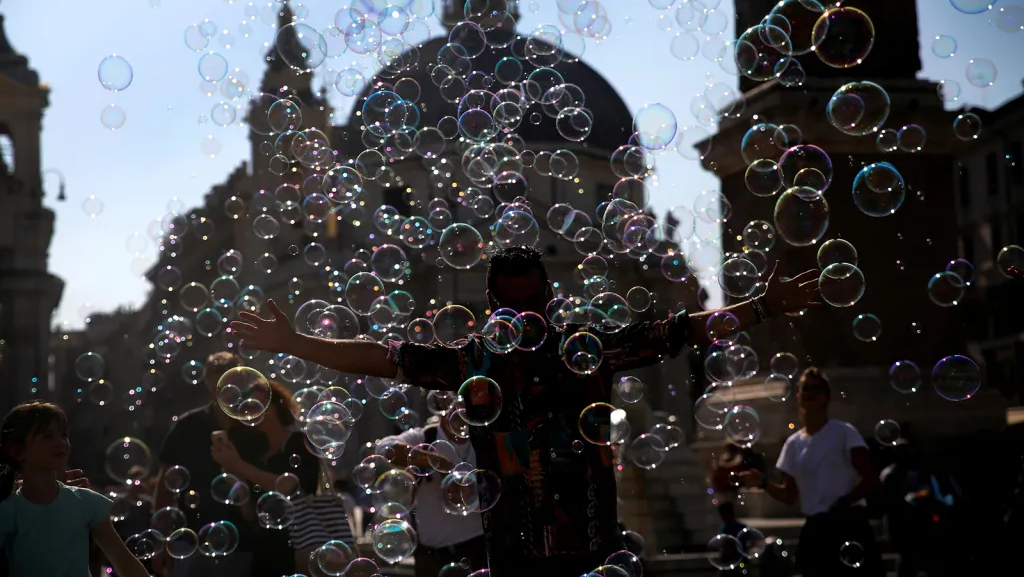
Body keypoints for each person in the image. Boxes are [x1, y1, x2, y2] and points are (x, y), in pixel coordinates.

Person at [231, 245, 822, 576]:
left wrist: (762, 306)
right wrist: (296, 344)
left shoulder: (578, 351)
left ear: (549, 298)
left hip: (588, 544)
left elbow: (672, 332)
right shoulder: (475, 362)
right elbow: (383, 359)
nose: (527, 313)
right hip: (514, 552)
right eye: (518, 304)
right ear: (492, 305)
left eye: (534, 301)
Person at [738, 368, 883, 577]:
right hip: (816, 529)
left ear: (827, 397)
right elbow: (789, 495)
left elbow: (871, 479)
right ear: (798, 396)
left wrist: (844, 501)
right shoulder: (794, 443)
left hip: (849, 523)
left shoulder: (844, 432)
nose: (809, 393)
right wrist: (763, 483)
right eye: (805, 389)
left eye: (816, 389)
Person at [0, 401, 150, 577]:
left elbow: (126, 564)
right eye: (47, 436)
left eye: (63, 435)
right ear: (18, 452)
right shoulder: (8, 511)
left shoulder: (87, 502)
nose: (60, 442)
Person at [152, 351, 267, 577]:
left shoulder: (255, 430)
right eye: (218, 382)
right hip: (189, 540)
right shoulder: (188, 425)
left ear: (243, 381)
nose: (224, 389)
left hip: (242, 542)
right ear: (207, 383)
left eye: (230, 381)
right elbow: (165, 486)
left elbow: (262, 484)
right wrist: (161, 541)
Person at [209, 379, 322, 577]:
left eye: (260, 404)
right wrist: (238, 485)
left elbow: (288, 486)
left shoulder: (299, 443)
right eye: (249, 407)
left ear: (277, 406)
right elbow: (251, 514)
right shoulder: (256, 454)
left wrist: (239, 466)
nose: (255, 411)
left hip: (300, 547)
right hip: (265, 555)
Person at [379, 416, 487, 577]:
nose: (460, 411)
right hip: (431, 558)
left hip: (474, 551)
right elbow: (384, 449)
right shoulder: (425, 437)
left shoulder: (483, 440)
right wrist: (436, 462)